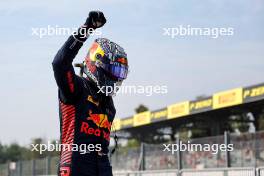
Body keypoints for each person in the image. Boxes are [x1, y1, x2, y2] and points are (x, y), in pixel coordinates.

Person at [52, 11, 129, 176]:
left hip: (102, 168)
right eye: (114, 70)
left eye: (120, 72)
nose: (116, 76)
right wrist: (88, 28)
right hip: (76, 168)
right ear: (97, 63)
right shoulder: (76, 88)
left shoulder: (108, 103)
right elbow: (60, 63)